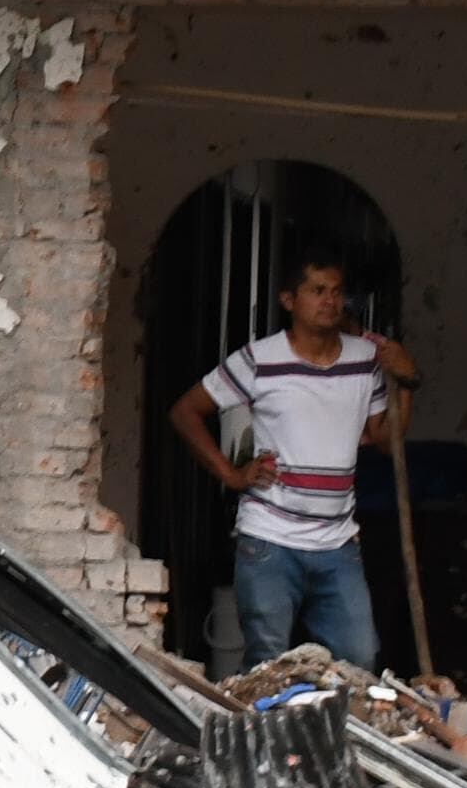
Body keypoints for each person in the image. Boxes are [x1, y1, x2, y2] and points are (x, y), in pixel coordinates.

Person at [168, 241, 418, 671]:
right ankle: (270, 739)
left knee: (359, 657)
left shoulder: (365, 360)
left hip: (338, 541)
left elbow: (384, 438)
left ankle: (331, 739)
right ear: (289, 300)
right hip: (269, 539)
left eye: (337, 292)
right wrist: (230, 476)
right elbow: (186, 412)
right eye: (317, 290)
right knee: (268, 665)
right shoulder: (259, 360)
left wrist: (408, 380)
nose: (330, 301)